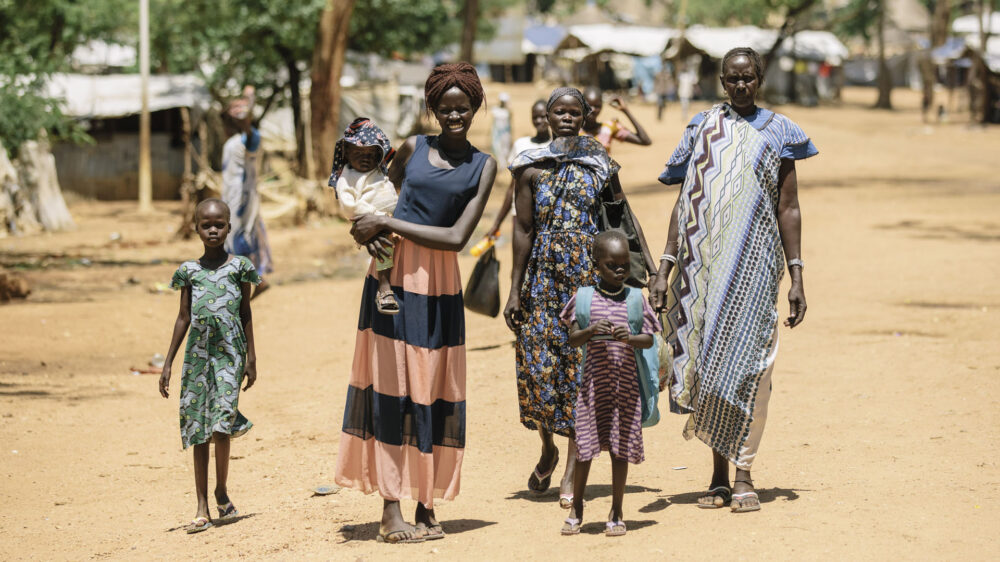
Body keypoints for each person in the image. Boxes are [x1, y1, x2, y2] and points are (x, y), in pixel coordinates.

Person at [335, 62, 498, 544]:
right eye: (445, 108)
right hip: (394, 282)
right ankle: (391, 508)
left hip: (441, 284)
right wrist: (369, 227)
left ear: (475, 108)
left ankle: (426, 503)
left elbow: (455, 237)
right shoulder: (412, 147)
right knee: (392, 388)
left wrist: (389, 227)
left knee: (433, 388)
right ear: (432, 109)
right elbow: (376, 196)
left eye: (462, 108)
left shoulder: (484, 166)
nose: (454, 116)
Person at [650, 47, 817, 513]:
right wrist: (665, 267)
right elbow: (684, 203)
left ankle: (745, 471)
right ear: (721, 81)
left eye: (748, 78)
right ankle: (720, 475)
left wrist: (797, 275)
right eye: (732, 79)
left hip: (758, 269)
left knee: (751, 368)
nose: (740, 86)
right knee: (710, 368)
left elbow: (789, 206)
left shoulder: (780, 130)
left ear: (760, 78)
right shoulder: (701, 126)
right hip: (701, 273)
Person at [504, 87, 654, 511]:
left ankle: (571, 468)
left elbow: (624, 218)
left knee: (578, 370)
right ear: (547, 116)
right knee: (537, 366)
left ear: (586, 116)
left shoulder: (600, 164)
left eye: (575, 112)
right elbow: (523, 229)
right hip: (542, 278)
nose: (567, 117)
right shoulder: (530, 167)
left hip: (586, 280)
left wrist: (652, 270)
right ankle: (548, 448)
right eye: (559, 111)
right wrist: (515, 289)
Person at [158, 198, 260, 534]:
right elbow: (183, 317)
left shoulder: (240, 267)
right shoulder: (188, 271)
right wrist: (168, 363)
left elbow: (245, 313)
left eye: (219, 224)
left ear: (229, 227)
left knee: (221, 424)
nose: (213, 230)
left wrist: (251, 358)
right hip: (197, 359)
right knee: (199, 427)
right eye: (206, 225)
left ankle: (221, 490)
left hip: (229, 355)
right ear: (197, 228)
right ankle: (202, 505)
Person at [559, 231, 660, 537]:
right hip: (593, 389)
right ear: (596, 266)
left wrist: (628, 337)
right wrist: (590, 331)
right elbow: (573, 339)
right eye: (611, 264)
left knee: (620, 450)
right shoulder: (584, 298)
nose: (619, 270)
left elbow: (648, 338)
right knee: (585, 450)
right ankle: (577, 506)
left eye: (625, 264)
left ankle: (617, 509)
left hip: (624, 389)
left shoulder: (634, 298)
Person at [328, 117, 399, 315]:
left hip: (392, 218)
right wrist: (378, 217)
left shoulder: (378, 170)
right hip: (373, 221)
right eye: (359, 153)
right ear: (347, 153)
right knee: (384, 248)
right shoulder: (347, 177)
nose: (365, 158)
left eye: (370, 154)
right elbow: (349, 207)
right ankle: (384, 289)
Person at [221, 86, 272, 299]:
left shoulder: (250, 138)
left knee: (240, 240)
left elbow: (249, 133)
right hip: (232, 198)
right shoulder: (232, 142)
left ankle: (254, 281)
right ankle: (252, 281)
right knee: (235, 240)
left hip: (243, 200)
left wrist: (248, 114)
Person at [480, 99, 552, 243]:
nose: (539, 121)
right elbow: (512, 188)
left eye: (543, 116)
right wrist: (497, 223)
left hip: (547, 217)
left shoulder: (556, 148)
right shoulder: (521, 145)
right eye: (535, 117)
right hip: (520, 216)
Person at [581, 86, 651, 153]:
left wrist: (626, 111)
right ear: (582, 105)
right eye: (589, 105)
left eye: (597, 106)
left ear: (602, 106)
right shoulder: (573, 130)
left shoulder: (608, 128)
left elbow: (645, 141)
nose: (593, 109)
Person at [491, 92, 514, 166]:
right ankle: (501, 165)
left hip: (506, 133)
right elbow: (493, 123)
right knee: (497, 148)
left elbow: (510, 124)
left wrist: (511, 135)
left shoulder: (508, 111)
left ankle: (503, 165)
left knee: (506, 149)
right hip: (496, 133)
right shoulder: (495, 110)